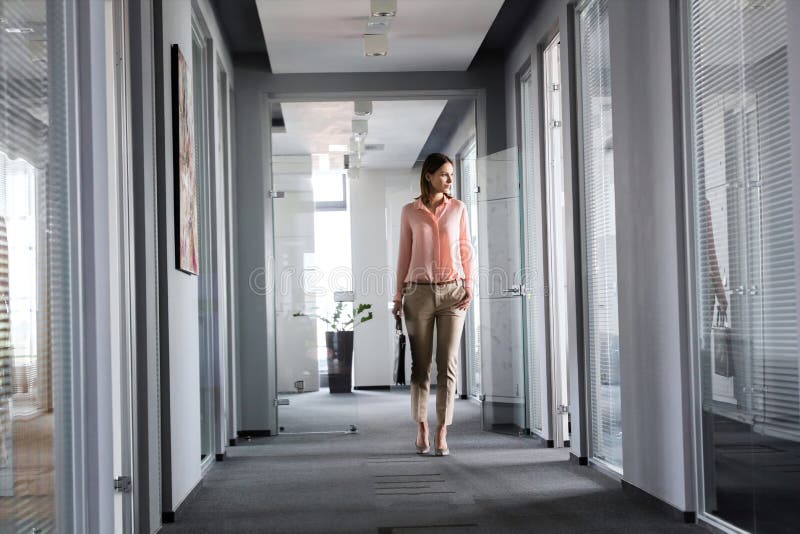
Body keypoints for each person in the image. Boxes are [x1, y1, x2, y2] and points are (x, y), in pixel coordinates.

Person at [392, 153, 473, 456]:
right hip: (418, 293)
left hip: (453, 293)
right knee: (420, 367)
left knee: (448, 365)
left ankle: (442, 431)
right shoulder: (409, 212)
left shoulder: (459, 209)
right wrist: (397, 296)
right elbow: (403, 255)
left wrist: (470, 286)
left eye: (451, 174)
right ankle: (422, 425)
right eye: (443, 174)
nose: (449, 179)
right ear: (428, 176)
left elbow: (467, 251)